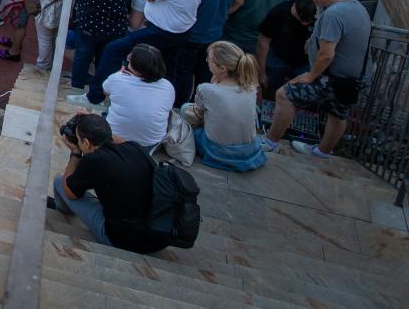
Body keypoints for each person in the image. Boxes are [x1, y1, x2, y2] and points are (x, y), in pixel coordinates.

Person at [259, 0, 371, 158]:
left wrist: (311, 76)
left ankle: (270, 142)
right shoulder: (357, 6)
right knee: (337, 113)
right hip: (355, 79)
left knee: (284, 95)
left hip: (334, 78)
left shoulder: (334, 14)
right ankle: (322, 152)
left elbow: (327, 55)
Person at [51, 113, 157, 252]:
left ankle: (63, 210)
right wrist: (94, 124)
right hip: (157, 234)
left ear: (87, 143)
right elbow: (110, 139)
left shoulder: (94, 161)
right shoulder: (135, 148)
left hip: (123, 240)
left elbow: (69, 192)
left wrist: (76, 152)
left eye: (78, 139)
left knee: (60, 182)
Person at [67, 0, 136, 103]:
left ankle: (76, 89)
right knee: (104, 63)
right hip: (114, 31)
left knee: (82, 59)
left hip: (88, 29)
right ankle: (100, 93)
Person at [183, 41, 265, 171]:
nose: (206, 61)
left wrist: (213, 85)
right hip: (249, 150)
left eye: (209, 59)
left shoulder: (206, 89)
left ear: (222, 69)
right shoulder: (250, 87)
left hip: (219, 152)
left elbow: (199, 114)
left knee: (185, 109)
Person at [99, 43, 175, 150]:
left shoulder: (117, 78)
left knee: (112, 102)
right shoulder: (168, 86)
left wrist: (120, 75)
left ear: (137, 66)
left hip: (115, 140)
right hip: (151, 144)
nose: (128, 58)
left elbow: (105, 92)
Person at [256, 0, 316, 97]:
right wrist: (261, 72)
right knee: (271, 88)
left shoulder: (322, 14)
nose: (304, 24)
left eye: (308, 21)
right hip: (278, 58)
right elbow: (263, 41)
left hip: (305, 62)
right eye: (301, 19)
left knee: (302, 94)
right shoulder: (278, 12)